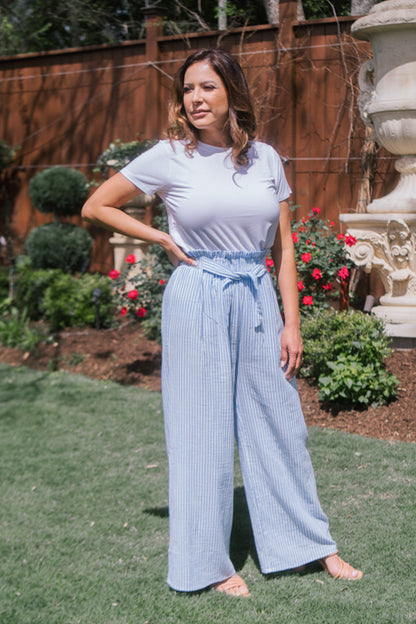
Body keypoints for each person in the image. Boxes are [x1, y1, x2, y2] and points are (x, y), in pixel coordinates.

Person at [82, 48, 362, 597]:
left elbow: (284, 245)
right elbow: (98, 205)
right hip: (198, 295)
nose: (195, 98)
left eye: (207, 87)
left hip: (257, 295)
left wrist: (292, 323)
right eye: (188, 89)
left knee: (280, 422)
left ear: (231, 91)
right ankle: (208, 564)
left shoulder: (266, 159)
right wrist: (159, 236)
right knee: (200, 430)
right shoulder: (168, 157)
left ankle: (311, 544)